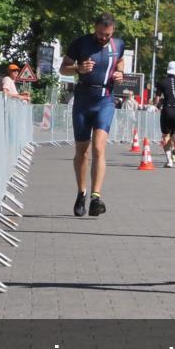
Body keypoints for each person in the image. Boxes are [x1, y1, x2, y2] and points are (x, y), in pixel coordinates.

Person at [59, 13, 125, 217]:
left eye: (107, 35)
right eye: (100, 34)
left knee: (99, 147)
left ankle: (96, 197)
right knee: (82, 152)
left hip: (105, 99)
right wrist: (78, 68)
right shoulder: (80, 43)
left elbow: (120, 61)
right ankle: (81, 193)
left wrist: (120, 73)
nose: (103, 38)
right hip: (83, 100)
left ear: (112, 30)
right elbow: (63, 69)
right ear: (94, 28)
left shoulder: (118, 44)